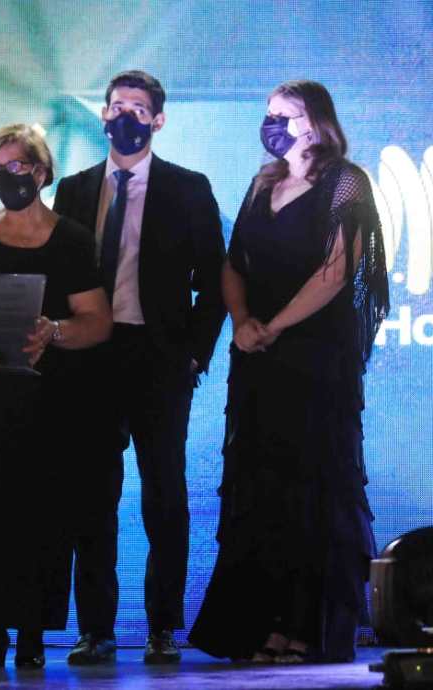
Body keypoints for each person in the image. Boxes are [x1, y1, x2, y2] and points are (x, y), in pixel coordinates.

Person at [189, 80, 389, 663]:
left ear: (316, 121)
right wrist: (243, 321)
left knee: (312, 488)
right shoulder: (263, 182)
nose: (274, 124)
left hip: (316, 357)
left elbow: (336, 271)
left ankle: (307, 627)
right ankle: (262, 625)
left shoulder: (345, 181)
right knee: (261, 490)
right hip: (257, 357)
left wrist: (274, 326)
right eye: (269, 114)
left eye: (287, 114)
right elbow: (234, 263)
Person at [52, 69, 226, 665]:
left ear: (158, 120)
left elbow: (215, 280)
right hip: (90, 360)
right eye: (116, 105)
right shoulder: (74, 189)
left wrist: (194, 352)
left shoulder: (188, 188)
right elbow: (60, 278)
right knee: (90, 498)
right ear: (103, 115)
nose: (124, 115)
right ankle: (95, 629)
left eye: (137, 108)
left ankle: (163, 627)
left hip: (158, 359)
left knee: (164, 497)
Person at [0, 124, 111, 669]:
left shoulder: (73, 239)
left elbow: (97, 320)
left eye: (16, 166)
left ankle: (32, 634)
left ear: (40, 170)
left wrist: (55, 332)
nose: (6, 177)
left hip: (50, 397)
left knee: (43, 511)